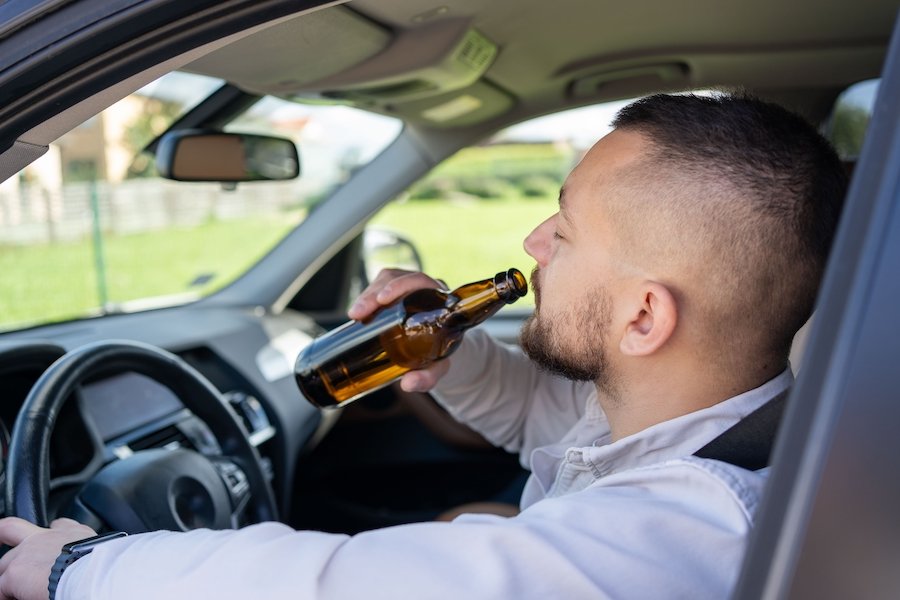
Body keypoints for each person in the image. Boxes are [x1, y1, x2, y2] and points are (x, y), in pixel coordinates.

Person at [0, 93, 846, 600]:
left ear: (644, 319)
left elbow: (353, 587)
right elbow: (548, 415)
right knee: (467, 517)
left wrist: (81, 569)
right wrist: (447, 356)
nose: (534, 241)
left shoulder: (697, 526)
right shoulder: (699, 413)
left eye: (566, 230)